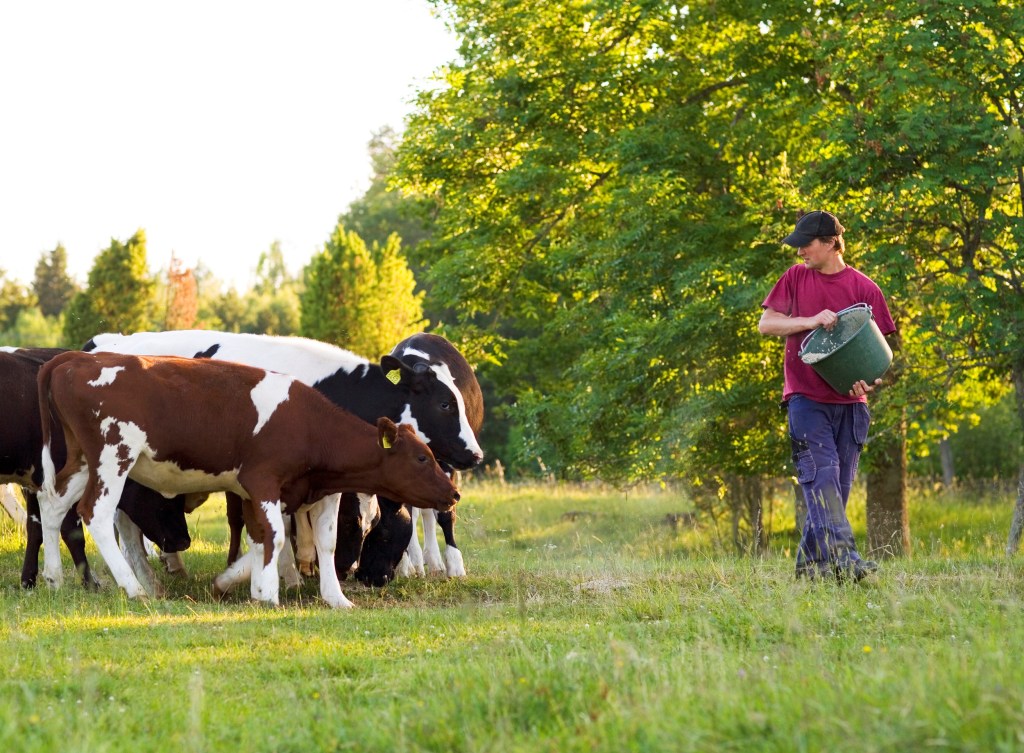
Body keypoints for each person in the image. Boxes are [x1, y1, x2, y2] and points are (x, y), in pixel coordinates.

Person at [758, 210, 897, 582]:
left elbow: (880, 358)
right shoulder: (794, 278)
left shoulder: (865, 289)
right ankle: (847, 559)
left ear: (831, 243)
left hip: (851, 407)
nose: (800, 251)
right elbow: (766, 323)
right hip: (805, 398)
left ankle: (810, 570)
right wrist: (810, 320)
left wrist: (870, 383)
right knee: (823, 477)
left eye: (806, 244)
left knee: (837, 490)